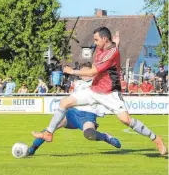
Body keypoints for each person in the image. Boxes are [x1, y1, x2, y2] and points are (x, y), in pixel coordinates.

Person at [32, 27, 166, 155]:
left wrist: (72, 71)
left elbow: (92, 72)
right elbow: (99, 66)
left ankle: (156, 139)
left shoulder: (112, 53)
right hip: (94, 90)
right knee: (64, 102)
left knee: (126, 120)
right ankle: (49, 132)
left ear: (105, 39)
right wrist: (116, 43)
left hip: (110, 93)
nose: (94, 42)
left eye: (96, 40)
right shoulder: (101, 49)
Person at [28, 63, 121, 156]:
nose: (83, 73)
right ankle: (32, 148)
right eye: (82, 71)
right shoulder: (77, 83)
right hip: (72, 113)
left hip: (88, 115)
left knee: (89, 134)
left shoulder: (97, 83)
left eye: (86, 71)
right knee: (51, 127)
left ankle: (105, 137)